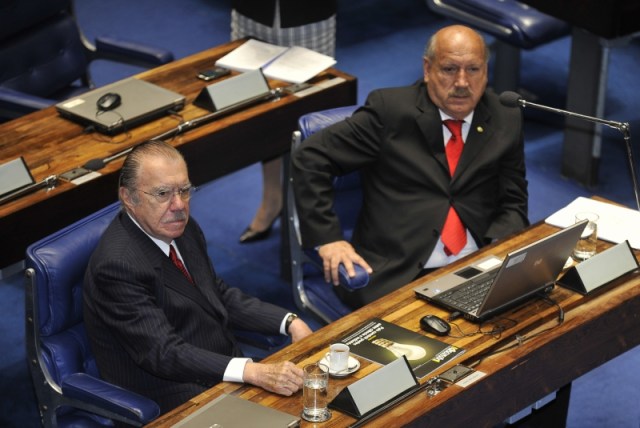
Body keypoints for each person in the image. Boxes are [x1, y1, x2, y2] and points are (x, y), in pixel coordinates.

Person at [291, 25, 529, 309]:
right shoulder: (390, 111)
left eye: (473, 70)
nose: (462, 82)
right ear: (428, 69)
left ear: (486, 71)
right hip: (399, 275)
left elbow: (513, 200)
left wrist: (501, 249)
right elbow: (311, 157)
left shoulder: (505, 115)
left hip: (478, 266)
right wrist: (328, 239)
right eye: (450, 69)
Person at [83, 140, 313, 414]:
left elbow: (215, 293)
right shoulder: (117, 266)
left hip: (222, 368)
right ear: (129, 198)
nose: (179, 205)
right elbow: (164, 353)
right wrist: (251, 371)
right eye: (163, 193)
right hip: (173, 394)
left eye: (184, 190)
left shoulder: (183, 228)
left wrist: (289, 322)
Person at [230, 0, 338, 243]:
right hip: (254, 11)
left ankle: (316, 210)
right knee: (260, 106)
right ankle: (271, 199)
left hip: (307, 14)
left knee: (312, 108)